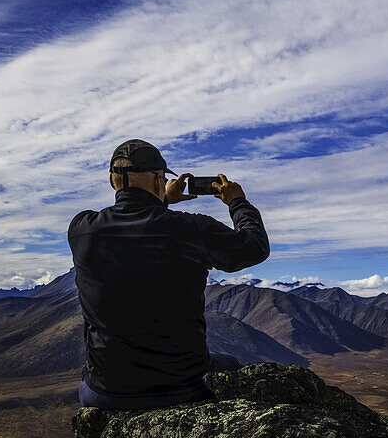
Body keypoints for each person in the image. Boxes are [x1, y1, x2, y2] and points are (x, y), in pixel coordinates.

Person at [69, 138, 269, 409]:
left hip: (104, 392)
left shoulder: (82, 229)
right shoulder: (188, 229)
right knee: (232, 365)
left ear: (112, 181)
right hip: (183, 387)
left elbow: (135, 229)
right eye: (161, 179)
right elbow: (254, 247)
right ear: (157, 181)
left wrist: (160, 202)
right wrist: (237, 203)